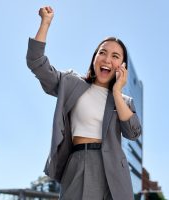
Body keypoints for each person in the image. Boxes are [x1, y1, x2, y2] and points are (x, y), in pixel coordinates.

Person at [26, 6, 142, 200]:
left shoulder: (124, 101)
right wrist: (45, 23)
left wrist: (116, 92)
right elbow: (36, 62)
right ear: (94, 57)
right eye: (102, 53)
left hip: (114, 170)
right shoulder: (71, 83)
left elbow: (133, 132)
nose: (107, 59)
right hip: (79, 162)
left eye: (115, 56)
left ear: (122, 67)